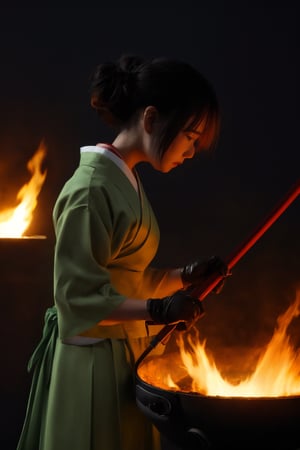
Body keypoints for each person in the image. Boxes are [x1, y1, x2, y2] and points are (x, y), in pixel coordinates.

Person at [17, 54, 229, 450]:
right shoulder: (90, 190)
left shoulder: (124, 179)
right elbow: (77, 299)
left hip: (121, 356)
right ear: (151, 119)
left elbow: (125, 280)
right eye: (190, 135)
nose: (192, 150)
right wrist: (159, 310)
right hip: (91, 362)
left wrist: (185, 276)